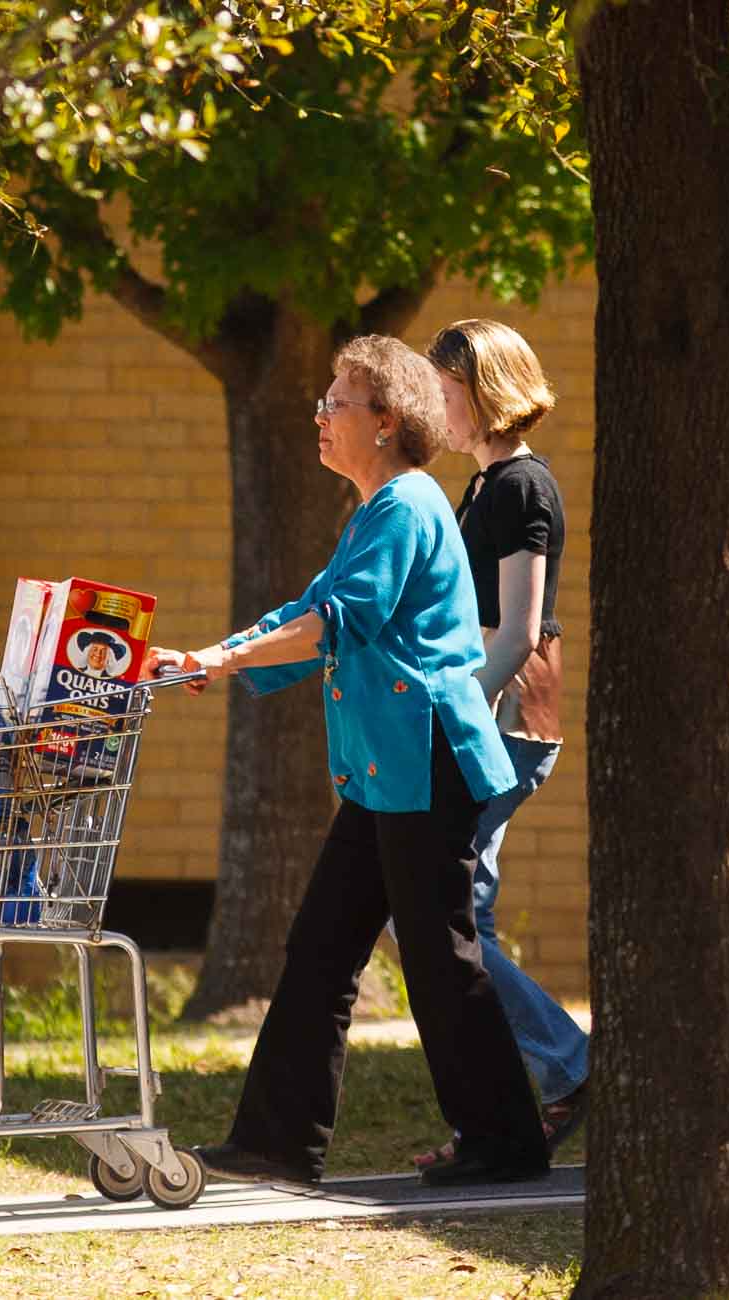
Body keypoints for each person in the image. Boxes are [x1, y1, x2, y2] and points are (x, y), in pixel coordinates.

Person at [147, 335, 548, 1189]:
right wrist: (212, 657)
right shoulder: (379, 508)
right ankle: (278, 1144)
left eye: (337, 404)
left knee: (440, 959)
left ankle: (505, 1141)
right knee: (324, 949)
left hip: (426, 762)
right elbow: (311, 611)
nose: (321, 416)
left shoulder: (406, 505)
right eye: (324, 401)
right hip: (387, 769)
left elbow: (338, 621)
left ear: (388, 422)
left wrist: (219, 663)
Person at [401, 320, 590, 1172]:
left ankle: (571, 1070)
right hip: (484, 716)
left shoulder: (520, 487)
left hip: (504, 721)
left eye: (443, 391)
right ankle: (546, 1085)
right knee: (456, 912)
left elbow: (514, 634)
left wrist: (453, 721)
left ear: (483, 391)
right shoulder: (482, 486)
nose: (434, 408)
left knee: (447, 915)